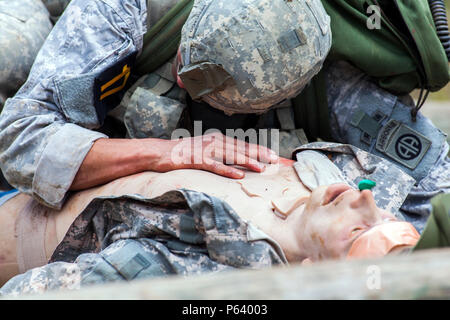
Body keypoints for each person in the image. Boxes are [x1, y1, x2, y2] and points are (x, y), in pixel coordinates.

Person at [0, 142, 421, 294]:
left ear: (310, 272)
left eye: (359, 230)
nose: (365, 201)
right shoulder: (343, 175)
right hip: (56, 162)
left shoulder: (188, 269)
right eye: (385, 214)